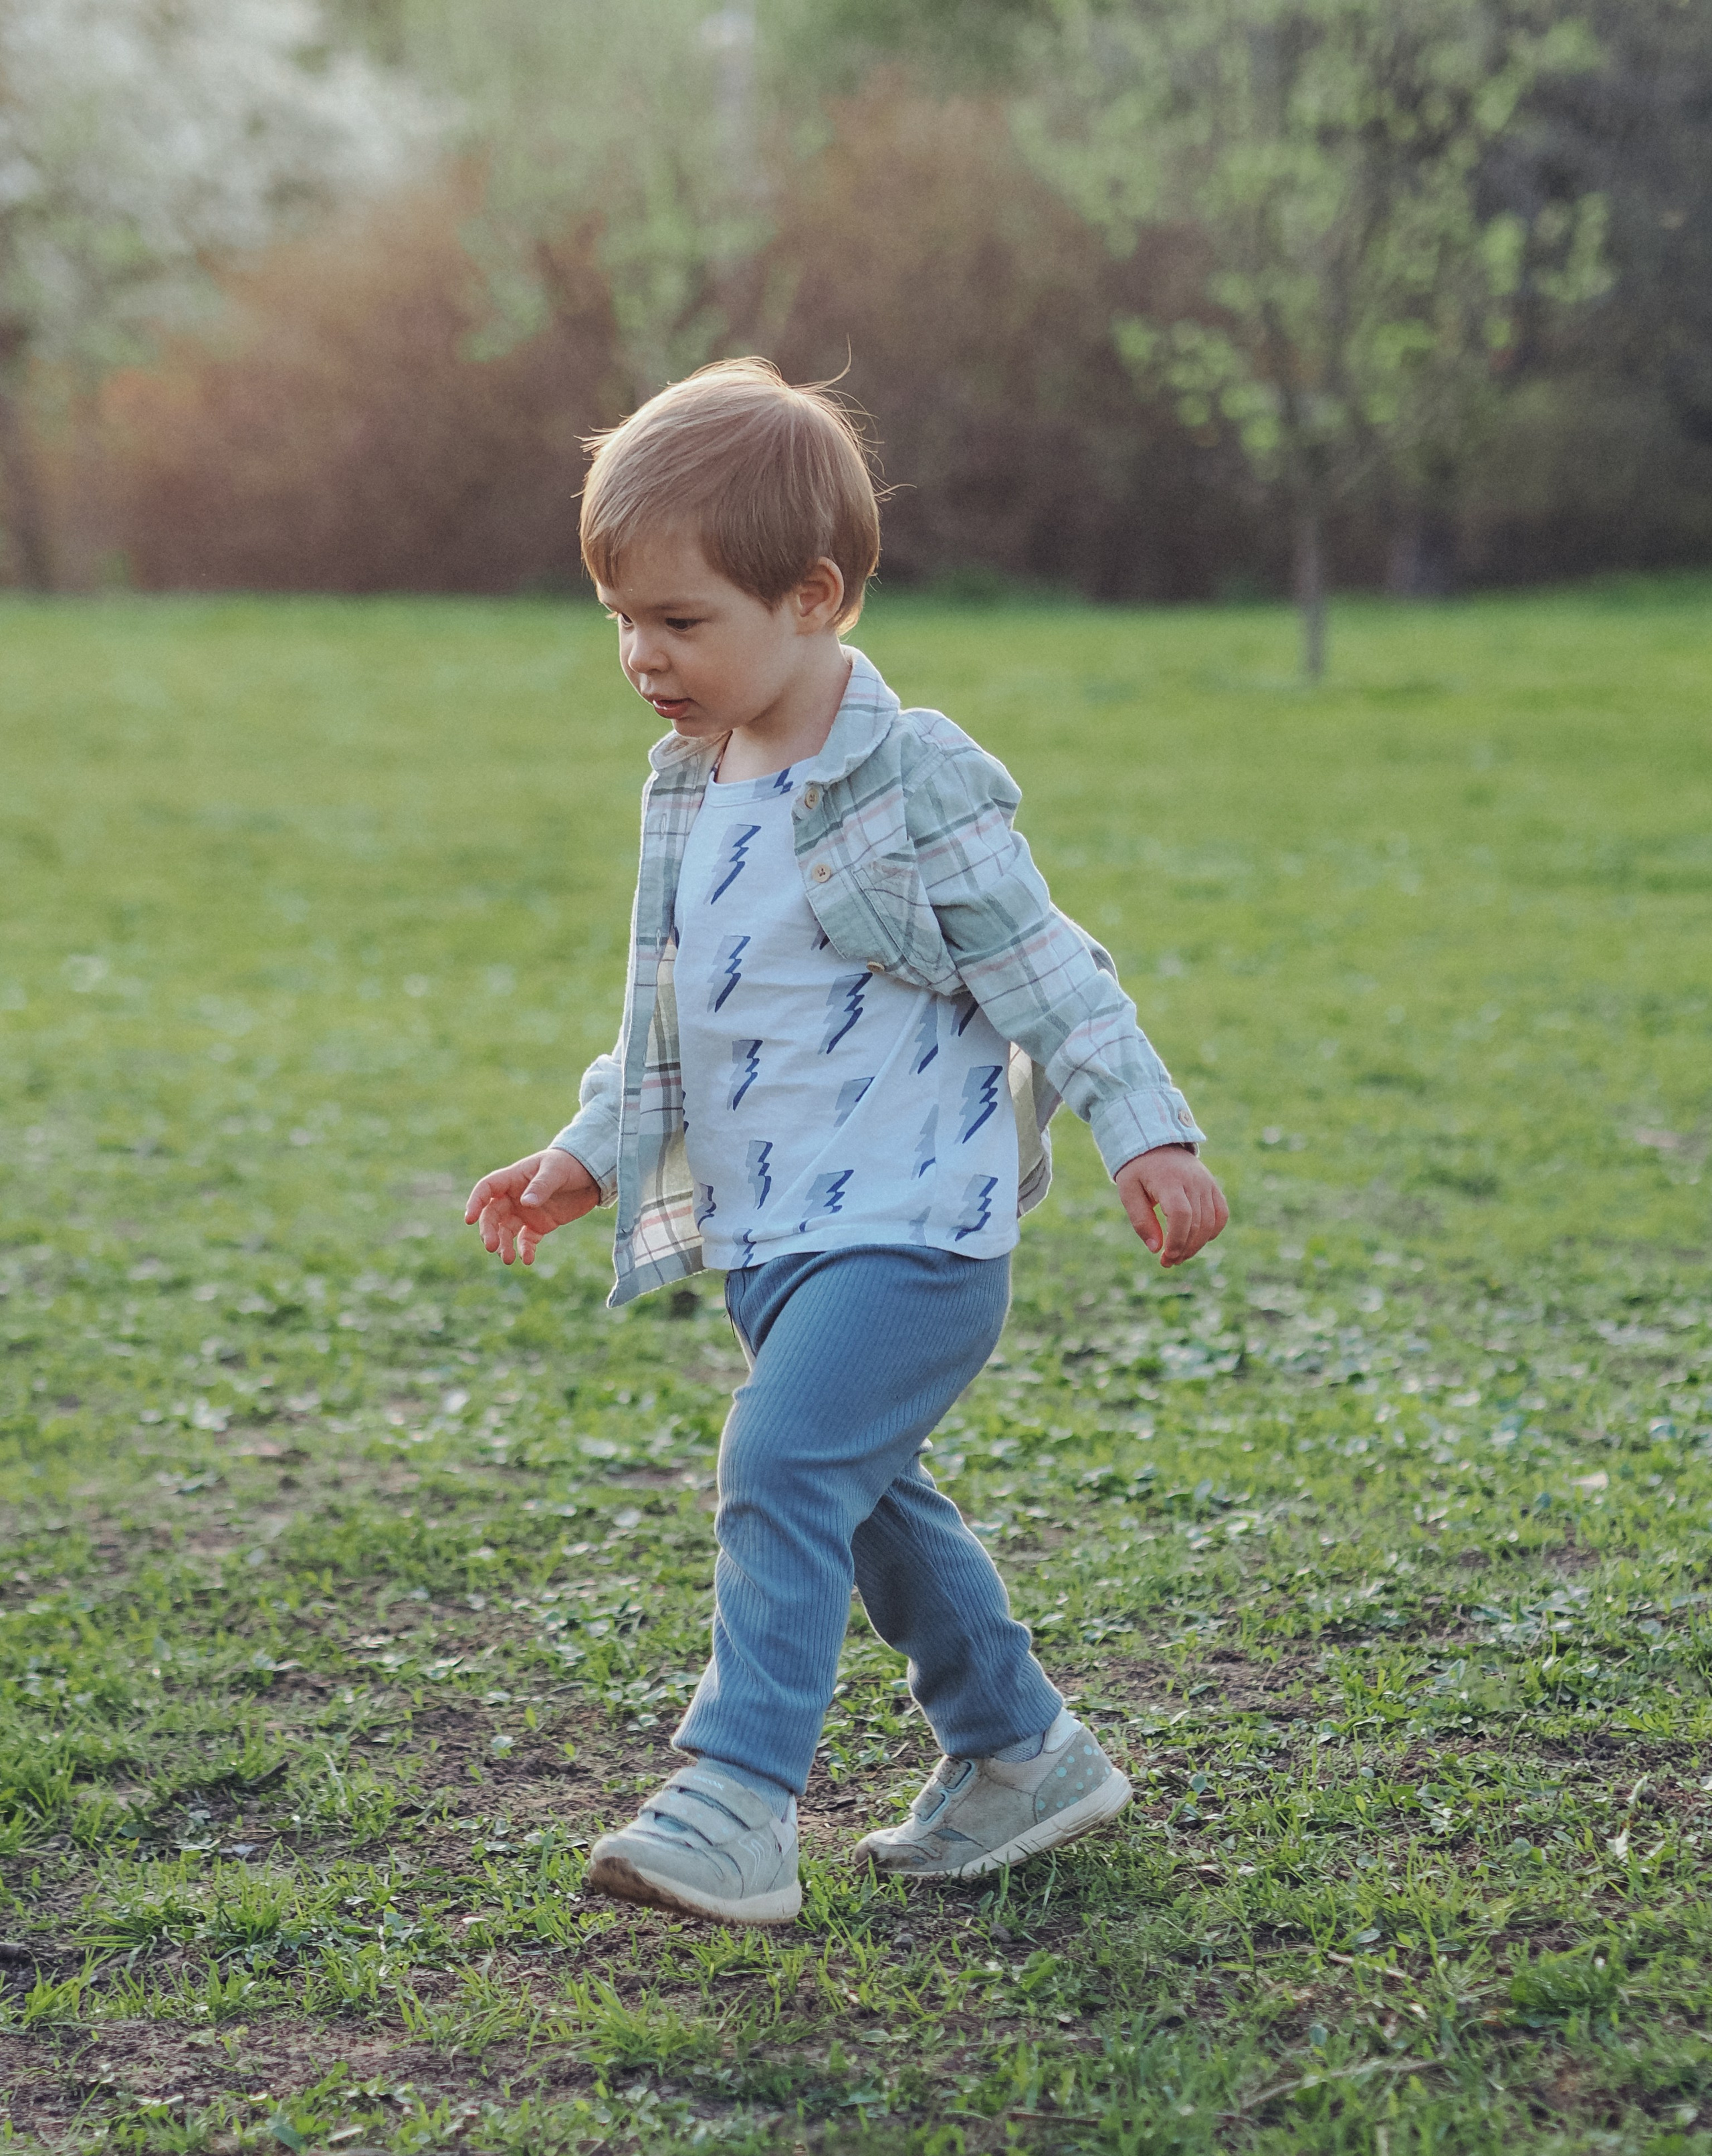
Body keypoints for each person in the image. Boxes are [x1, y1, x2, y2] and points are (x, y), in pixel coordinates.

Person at [465, 359, 1228, 1927]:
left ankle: (740, 1795)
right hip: (772, 1237)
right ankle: (1022, 1748)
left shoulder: (911, 777)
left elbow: (1051, 969)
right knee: (870, 1505)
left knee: (780, 1458)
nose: (640, 658)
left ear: (811, 597)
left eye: (681, 621)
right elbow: (674, 1010)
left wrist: (1143, 1131)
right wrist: (588, 1148)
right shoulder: (690, 786)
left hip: (914, 1233)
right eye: (620, 619)